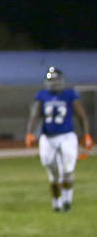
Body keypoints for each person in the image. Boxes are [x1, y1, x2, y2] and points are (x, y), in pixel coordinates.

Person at [25, 66, 93, 212]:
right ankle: (56, 202)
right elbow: (35, 115)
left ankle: (67, 200)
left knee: (68, 170)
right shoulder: (42, 95)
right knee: (52, 171)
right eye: (51, 81)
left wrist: (86, 134)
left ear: (62, 81)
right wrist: (30, 133)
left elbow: (82, 116)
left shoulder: (70, 95)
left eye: (56, 80)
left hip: (67, 136)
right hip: (47, 137)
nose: (54, 84)